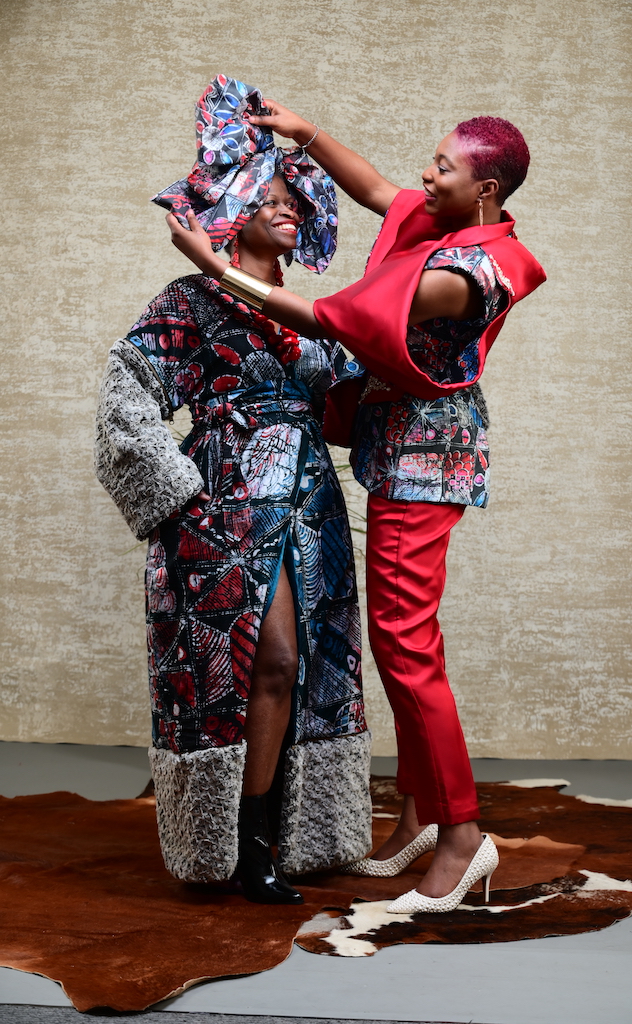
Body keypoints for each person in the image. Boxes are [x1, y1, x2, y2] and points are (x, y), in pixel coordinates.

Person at [164, 98, 546, 914]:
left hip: (421, 465)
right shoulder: (454, 227)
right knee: (400, 640)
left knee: (404, 645)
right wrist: (301, 131)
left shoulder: (465, 274)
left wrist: (214, 267)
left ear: (484, 189)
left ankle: (461, 835)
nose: (424, 175)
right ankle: (418, 814)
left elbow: (327, 318)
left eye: (442, 167)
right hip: (398, 451)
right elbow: (374, 189)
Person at [95, 77, 372, 906]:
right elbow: (125, 396)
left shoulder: (309, 313)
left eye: (294, 200)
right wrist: (177, 498)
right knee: (263, 659)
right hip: (224, 507)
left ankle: (272, 839)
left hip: (310, 506)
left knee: (300, 668)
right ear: (236, 208)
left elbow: (345, 412)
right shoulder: (188, 301)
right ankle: (238, 845)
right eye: (272, 198)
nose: (288, 209)